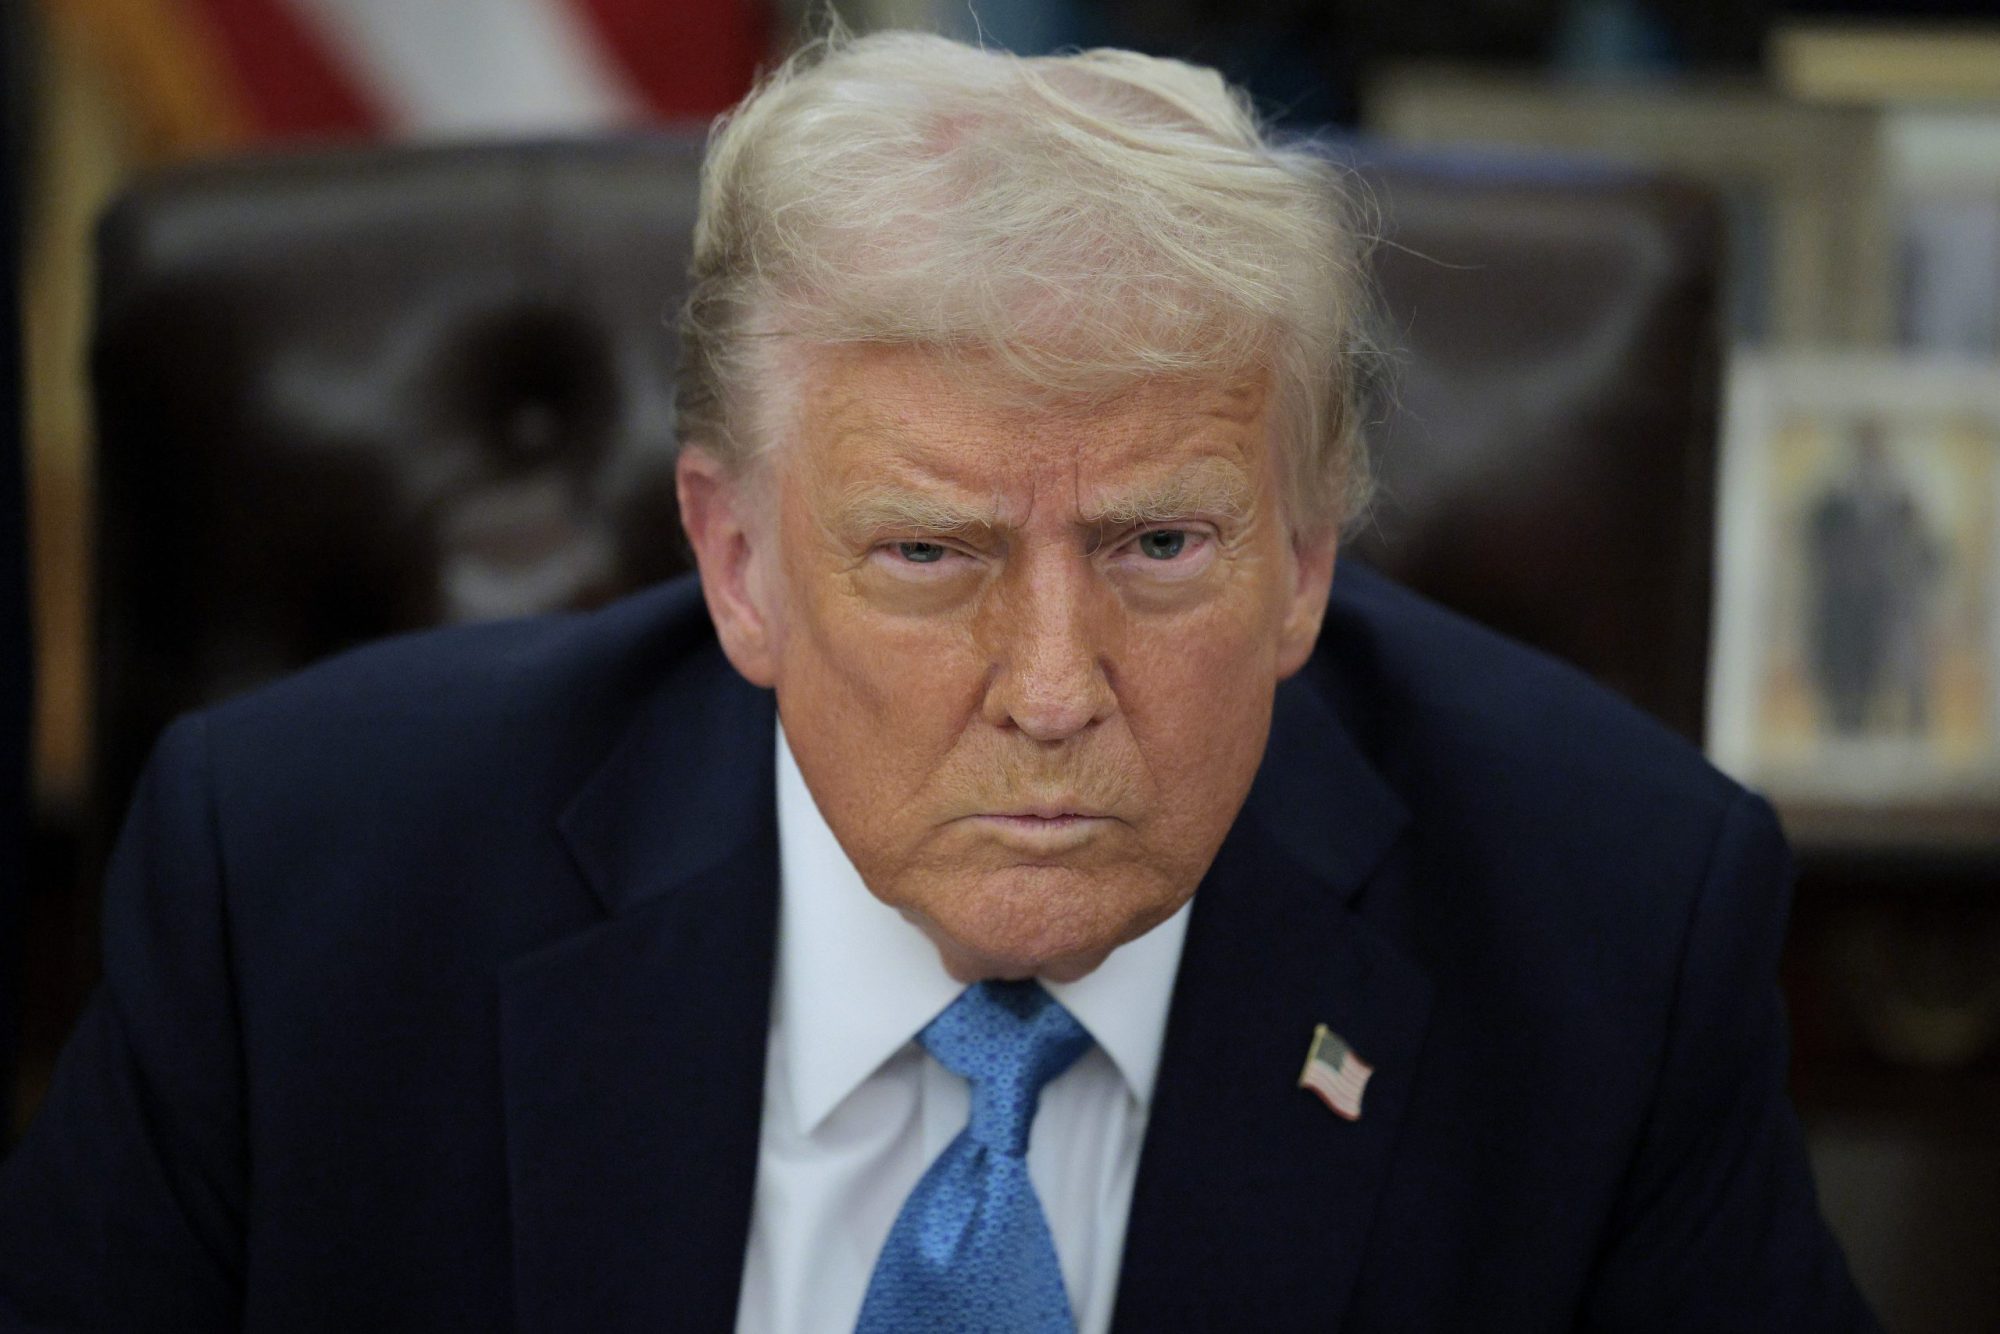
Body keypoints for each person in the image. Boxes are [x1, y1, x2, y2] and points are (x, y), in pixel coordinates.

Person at [0, 29, 1875, 1333]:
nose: (1053, 688)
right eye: (928, 555)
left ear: (1306, 559)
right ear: (738, 564)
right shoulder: (300, 898)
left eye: (1161, 547)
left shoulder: (1611, 927)